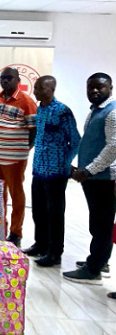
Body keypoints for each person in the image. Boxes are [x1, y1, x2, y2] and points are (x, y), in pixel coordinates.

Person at [22, 76, 80, 267]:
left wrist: (66, 163)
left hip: (56, 171)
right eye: (36, 87)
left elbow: (76, 141)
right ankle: (41, 245)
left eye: (40, 88)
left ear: (51, 89)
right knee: (38, 211)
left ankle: (55, 253)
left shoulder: (62, 111)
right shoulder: (40, 109)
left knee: (54, 213)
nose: (36, 91)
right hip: (38, 169)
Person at [63, 73, 116, 285]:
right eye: (90, 87)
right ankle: (100, 261)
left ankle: (93, 269)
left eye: (100, 88)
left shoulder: (112, 113)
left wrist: (90, 170)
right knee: (99, 221)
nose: (94, 91)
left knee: (102, 224)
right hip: (95, 177)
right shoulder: (96, 111)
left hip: (104, 178)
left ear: (110, 88)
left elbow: (113, 147)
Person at [0, 67, 37, 247]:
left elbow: (34, 131)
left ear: (18, 80)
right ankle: (0, 227)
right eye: (2, 78)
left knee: (16, 195)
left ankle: (16, 232)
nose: (5, 81)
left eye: (9, 78)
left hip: (14, 158)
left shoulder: (26, 101)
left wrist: (23, 150)